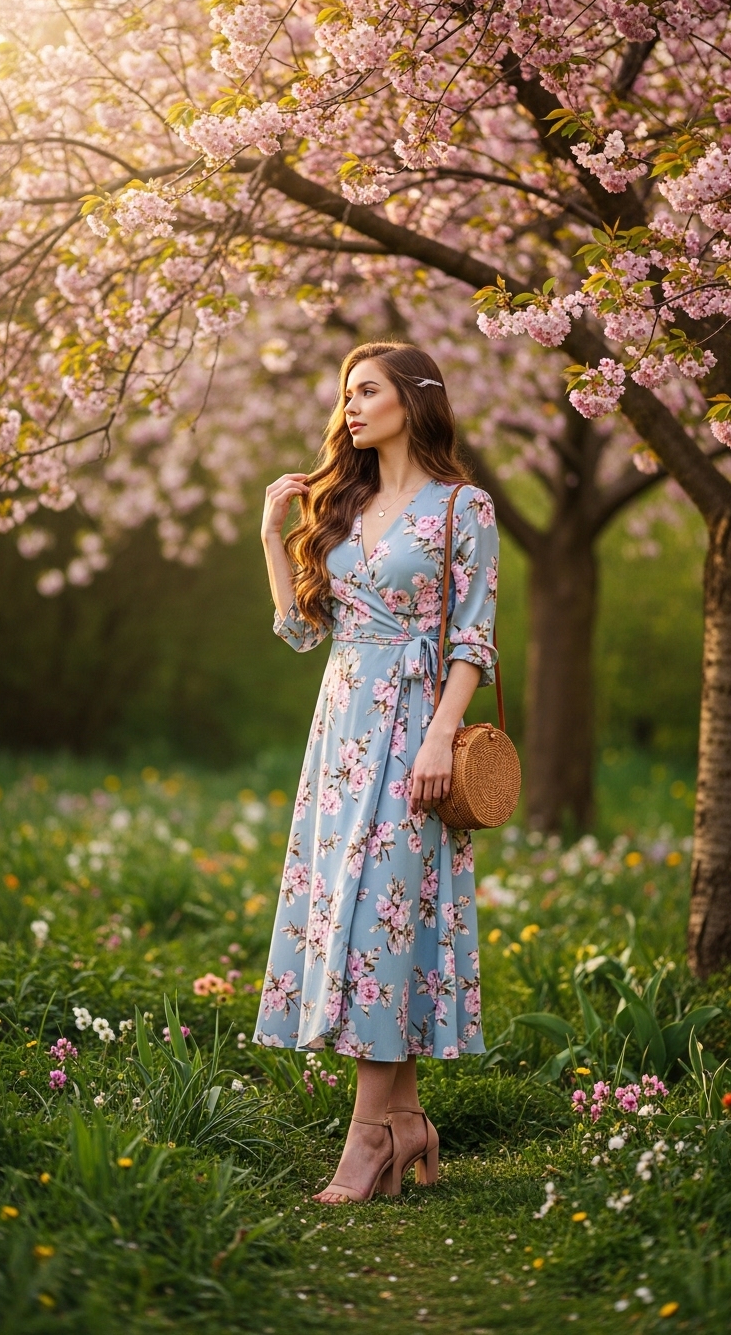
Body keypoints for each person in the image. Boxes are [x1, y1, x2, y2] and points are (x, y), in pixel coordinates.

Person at [254, 341, 499, 1204]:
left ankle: (367, 1141)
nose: (350, 407)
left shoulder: (464, 507)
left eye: (367, 391)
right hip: (342, 734)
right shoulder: (345, 503)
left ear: (413, 400)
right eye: (346, 394)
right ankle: (406, 1123)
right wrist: (273, 539)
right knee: (362, 912)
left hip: (415, 731)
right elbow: (301, 632)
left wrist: (440, 736)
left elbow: (473, 636)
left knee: (383, 920)